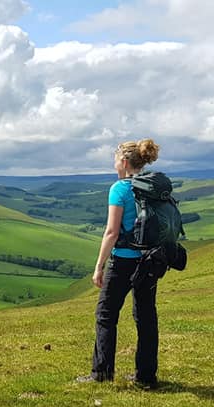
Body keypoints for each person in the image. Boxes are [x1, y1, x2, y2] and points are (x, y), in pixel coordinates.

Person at [76, 139, 162, 389]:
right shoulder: (152, 187)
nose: (114, 164)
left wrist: (98, 266)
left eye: (115, 159)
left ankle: (101, 373)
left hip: (124, 260)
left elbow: (112, 232)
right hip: (150, 261)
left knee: (106, 315)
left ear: (124, 162)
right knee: (146, 317)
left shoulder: (119, 189)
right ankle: (146, 377)